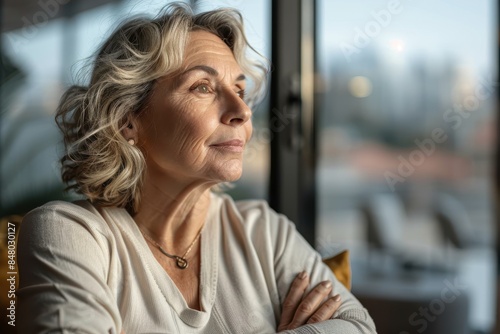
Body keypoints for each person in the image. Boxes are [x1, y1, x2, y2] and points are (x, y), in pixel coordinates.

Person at [17, 3, 377, 333]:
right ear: (128, 121)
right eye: (203, 87)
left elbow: (359, 326)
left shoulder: (266, 233)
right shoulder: (68, 234)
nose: (242, 110)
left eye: (240, 88)